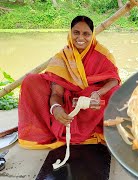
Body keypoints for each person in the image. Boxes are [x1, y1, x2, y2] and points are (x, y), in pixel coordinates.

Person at [18, 16, 121, 149]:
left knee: (118, 93)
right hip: (70, 104)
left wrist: (98, 93)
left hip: (94, 103)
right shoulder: (62, 57)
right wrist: (55, 108)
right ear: (70, 33)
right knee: (31, 81)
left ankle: (98, 128)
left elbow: (113, 81)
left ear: (92, 34)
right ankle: (54, 125)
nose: (80, 38)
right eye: (76, 32)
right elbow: (56, 93)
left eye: (86, 34)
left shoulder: (103, 54)